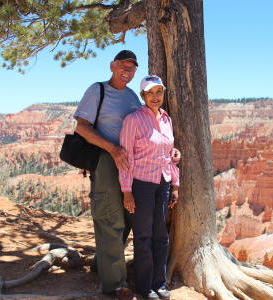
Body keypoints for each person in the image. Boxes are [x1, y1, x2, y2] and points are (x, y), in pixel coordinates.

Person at [74, 50, 141, 300]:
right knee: (110, 217)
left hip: (131, 165)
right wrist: (112, 149)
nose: (128, 70)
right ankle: (114, 283)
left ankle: (102, 265)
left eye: (132, 68)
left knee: (127, 215)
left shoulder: (134, 96)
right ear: (112, 66)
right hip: (106, 161)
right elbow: (82, 127)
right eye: (123, 65)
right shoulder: (97, 90)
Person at [119, 75, 180, 300]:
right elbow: (125, 157)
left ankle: (160, 284)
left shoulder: (167, 120)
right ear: (143, 95)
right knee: (143, 236)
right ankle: (145, 287)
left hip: (162, 183)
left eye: (159, 92)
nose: (155, 97)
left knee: (161, 236)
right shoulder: (133, 120)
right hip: (141, 185)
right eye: (150, 92)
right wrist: (127, 191)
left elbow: (169, 155)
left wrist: (175, 183)